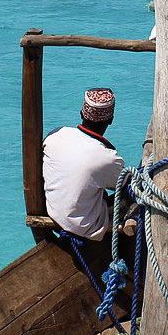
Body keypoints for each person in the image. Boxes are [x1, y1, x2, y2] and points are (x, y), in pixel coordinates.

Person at [42, 88, 125, 242]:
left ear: (82, 113)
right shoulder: (108, 158)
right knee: (132, 194)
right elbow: (124, 184)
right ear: (111, 119)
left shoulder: (55, 136)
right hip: (84, 227)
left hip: (53, 214)